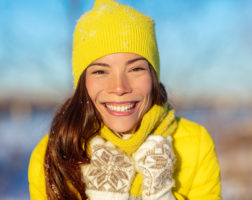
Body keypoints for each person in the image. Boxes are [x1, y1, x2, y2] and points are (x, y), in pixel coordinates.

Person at [28, 0, 222, 199]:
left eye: (135, 69)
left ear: (153, 76)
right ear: (82, 83)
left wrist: (162, 194)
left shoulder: (196, 143)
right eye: (100, 71)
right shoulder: (52, 154)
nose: (119, 87)